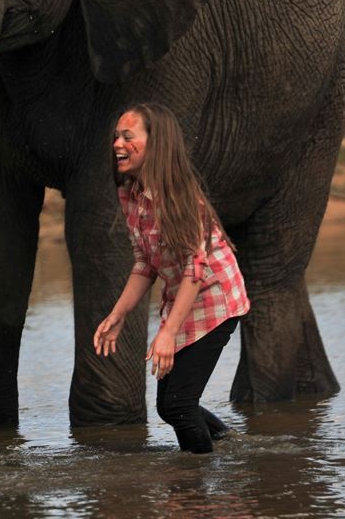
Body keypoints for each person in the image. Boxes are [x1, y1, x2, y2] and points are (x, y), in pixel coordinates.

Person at [93, 102, 249, 453]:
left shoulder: (176, 195)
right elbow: (145, 264)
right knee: (172, 406)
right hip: (183, 300)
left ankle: (194, 485)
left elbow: (196, 271)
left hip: (215, 300)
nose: (117, 144)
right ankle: (230, 449)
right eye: (116, 136)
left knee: (177, 405)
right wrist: (118, 316)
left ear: (156, 144)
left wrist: (167, 333)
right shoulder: (130, 192)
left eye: (128, 137)